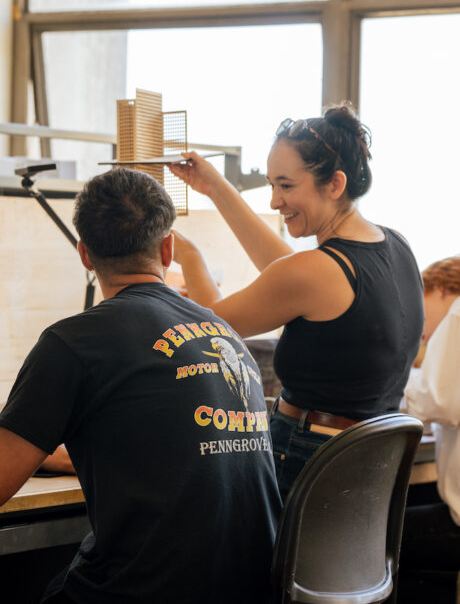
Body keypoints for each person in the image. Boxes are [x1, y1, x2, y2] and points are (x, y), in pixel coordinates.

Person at [0, 168, 281, 604]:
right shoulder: (222, 330)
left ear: (84, 255)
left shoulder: (73, 343)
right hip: (251, 589)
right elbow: (168, 446)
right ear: (168, 249)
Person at [169, 103, 424, 501]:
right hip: (363, 475)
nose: (274, 201)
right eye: (272, 185)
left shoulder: (314, 272)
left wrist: (190, 258)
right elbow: (287, 269)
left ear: (335, 184)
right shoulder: (395, 246)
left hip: (306, 462)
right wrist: (215, 189)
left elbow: (205, 330)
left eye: (286, 186)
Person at [399, 256, 460, 601]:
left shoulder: (457, 313)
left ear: (438, 288)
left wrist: (394, 379)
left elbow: (440, 401)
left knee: (373, 537)